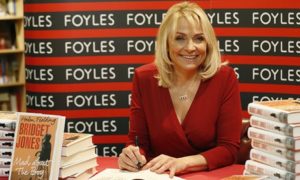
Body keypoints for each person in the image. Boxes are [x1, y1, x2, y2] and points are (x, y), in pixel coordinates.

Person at [118, 1, 242, 178]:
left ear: (208, 43)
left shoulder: (224, 77)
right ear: (166, 43)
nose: (191, 47)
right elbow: (138, 142)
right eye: (180, 38)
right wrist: (132, 155)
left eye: (199, 38)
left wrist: (184, 162)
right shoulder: (144, 78)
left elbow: (229, 149)